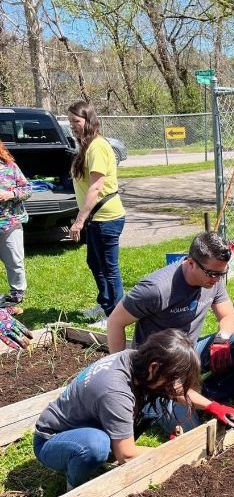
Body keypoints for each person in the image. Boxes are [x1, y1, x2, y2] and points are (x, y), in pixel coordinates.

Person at [107, 231, 234, 430]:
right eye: (213, 274)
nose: (218, 280)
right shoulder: (156, 289)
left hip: (190, 354)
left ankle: (211, 395)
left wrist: (223, 337)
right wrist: (123, 376)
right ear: (191, 262)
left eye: (223, 273)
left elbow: (229, 317)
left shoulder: (213, 280)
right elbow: (115, 322)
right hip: (161, 368)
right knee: (191, 431)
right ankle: (162, 401)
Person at [33, 329, 201, 492]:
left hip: (86, 426)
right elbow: (127, 455)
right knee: (96, 445)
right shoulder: (116, 390)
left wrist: (213, 406)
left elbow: (177, 392)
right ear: (154, 368)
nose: (172, 385)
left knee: (150, 407)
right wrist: (173, 452)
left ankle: (103, 455)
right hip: (51, 440)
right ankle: (75, 490)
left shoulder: (134, 359)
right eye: (171, 378)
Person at [67, 100, 125, 327]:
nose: (73, 125)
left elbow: (96, 187)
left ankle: (115, 316)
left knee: (109, 268)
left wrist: (79, 221)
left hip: (106, 217)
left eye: (77, 121)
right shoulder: (86, 145)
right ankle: (106, 304)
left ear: (88, 120)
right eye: (70, 121)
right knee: (95, 263)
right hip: (95, 219)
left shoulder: (98, 147)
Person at [0, 139, 32, 309]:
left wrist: (10, 194)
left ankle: (17, 294)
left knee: (14, 260)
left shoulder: (10, 167)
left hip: (9, 223)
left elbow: (27, 189)